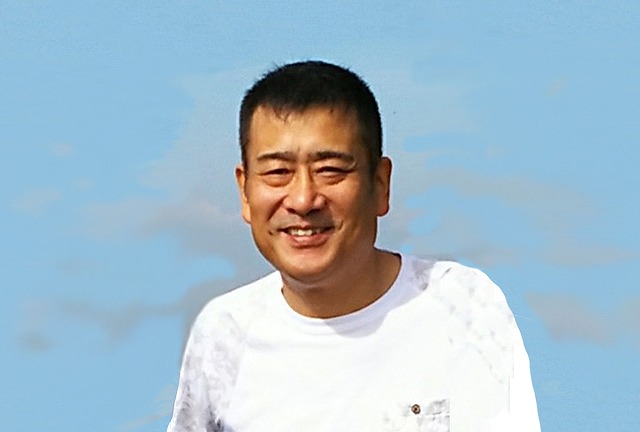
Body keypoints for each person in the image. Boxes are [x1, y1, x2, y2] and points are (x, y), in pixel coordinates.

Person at [166, 60, 540, 432]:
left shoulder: (463, 307)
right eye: (278, 172)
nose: (303, 199)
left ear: (380, 184)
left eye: (330, 170)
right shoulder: (223, 332)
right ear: (245, 191)